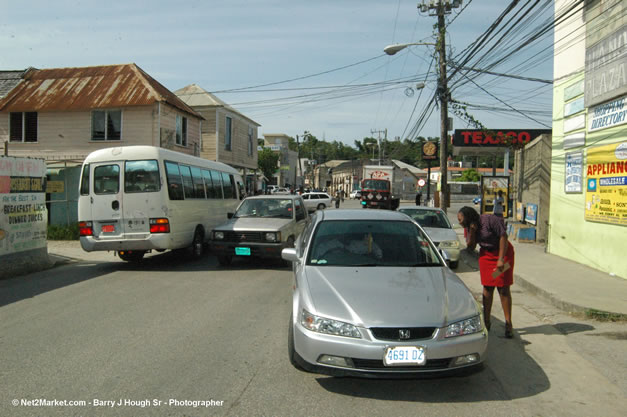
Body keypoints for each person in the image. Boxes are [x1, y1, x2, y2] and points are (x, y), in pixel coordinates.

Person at [457, 206, 515, 338]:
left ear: (468, 216)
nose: (459, 222)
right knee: (487, 288)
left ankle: (508, 323)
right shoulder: (468, 228)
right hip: (486, 257)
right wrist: (472, 231)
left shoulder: (489, 220)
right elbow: (471, 247)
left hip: (504, 254)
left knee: (503, 287)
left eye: (461, 219)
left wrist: (500, 259)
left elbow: (503, 237)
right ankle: (487, 322)